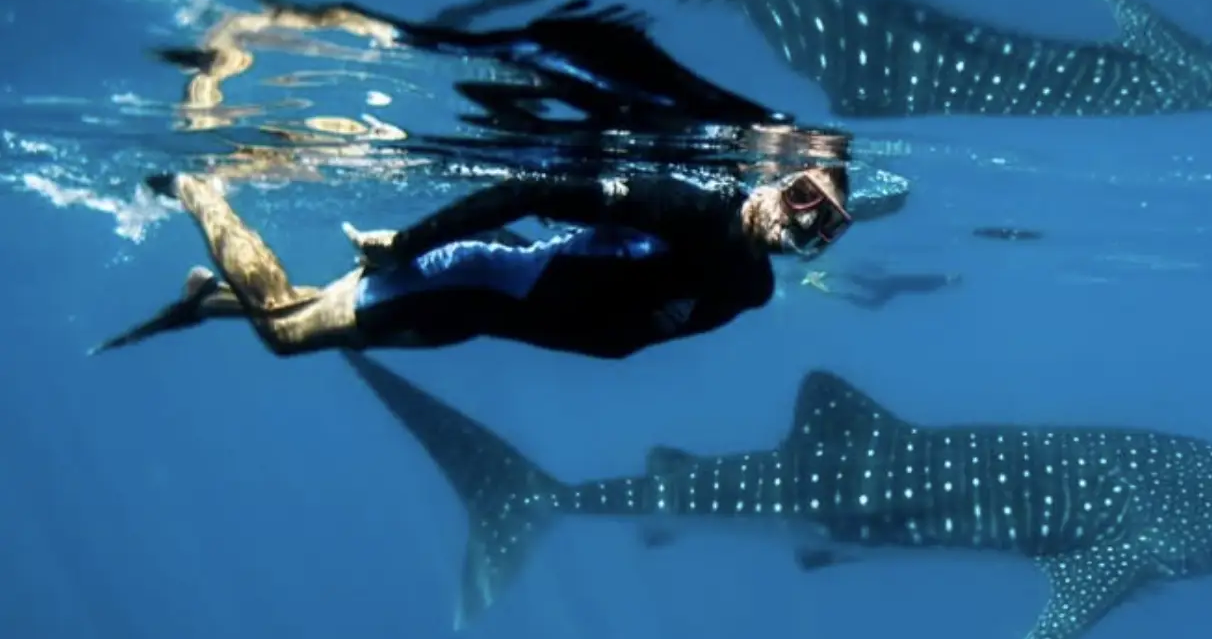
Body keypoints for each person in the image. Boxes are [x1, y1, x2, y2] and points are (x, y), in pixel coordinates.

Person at [93, 163, 851, 360]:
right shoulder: (682, 205)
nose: (802, 227)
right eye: (805, 199)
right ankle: (202, 193)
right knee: (289, 331)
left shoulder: (749, 288)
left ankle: (208, 297)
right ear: (779, 181)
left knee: (333, 317)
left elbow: (636, 319)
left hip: (489, 315)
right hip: (472, 278)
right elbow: (528, 189)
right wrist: (414, 243)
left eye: (826, 227)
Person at [800, 261, 961, 311]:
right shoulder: (937, 281)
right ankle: (829, 284)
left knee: (866, 288)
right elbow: (915, 283)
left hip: (893, 285)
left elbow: (914, 283)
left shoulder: (938, 282)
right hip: (893, 285)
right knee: (871, 300)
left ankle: (828, 279)